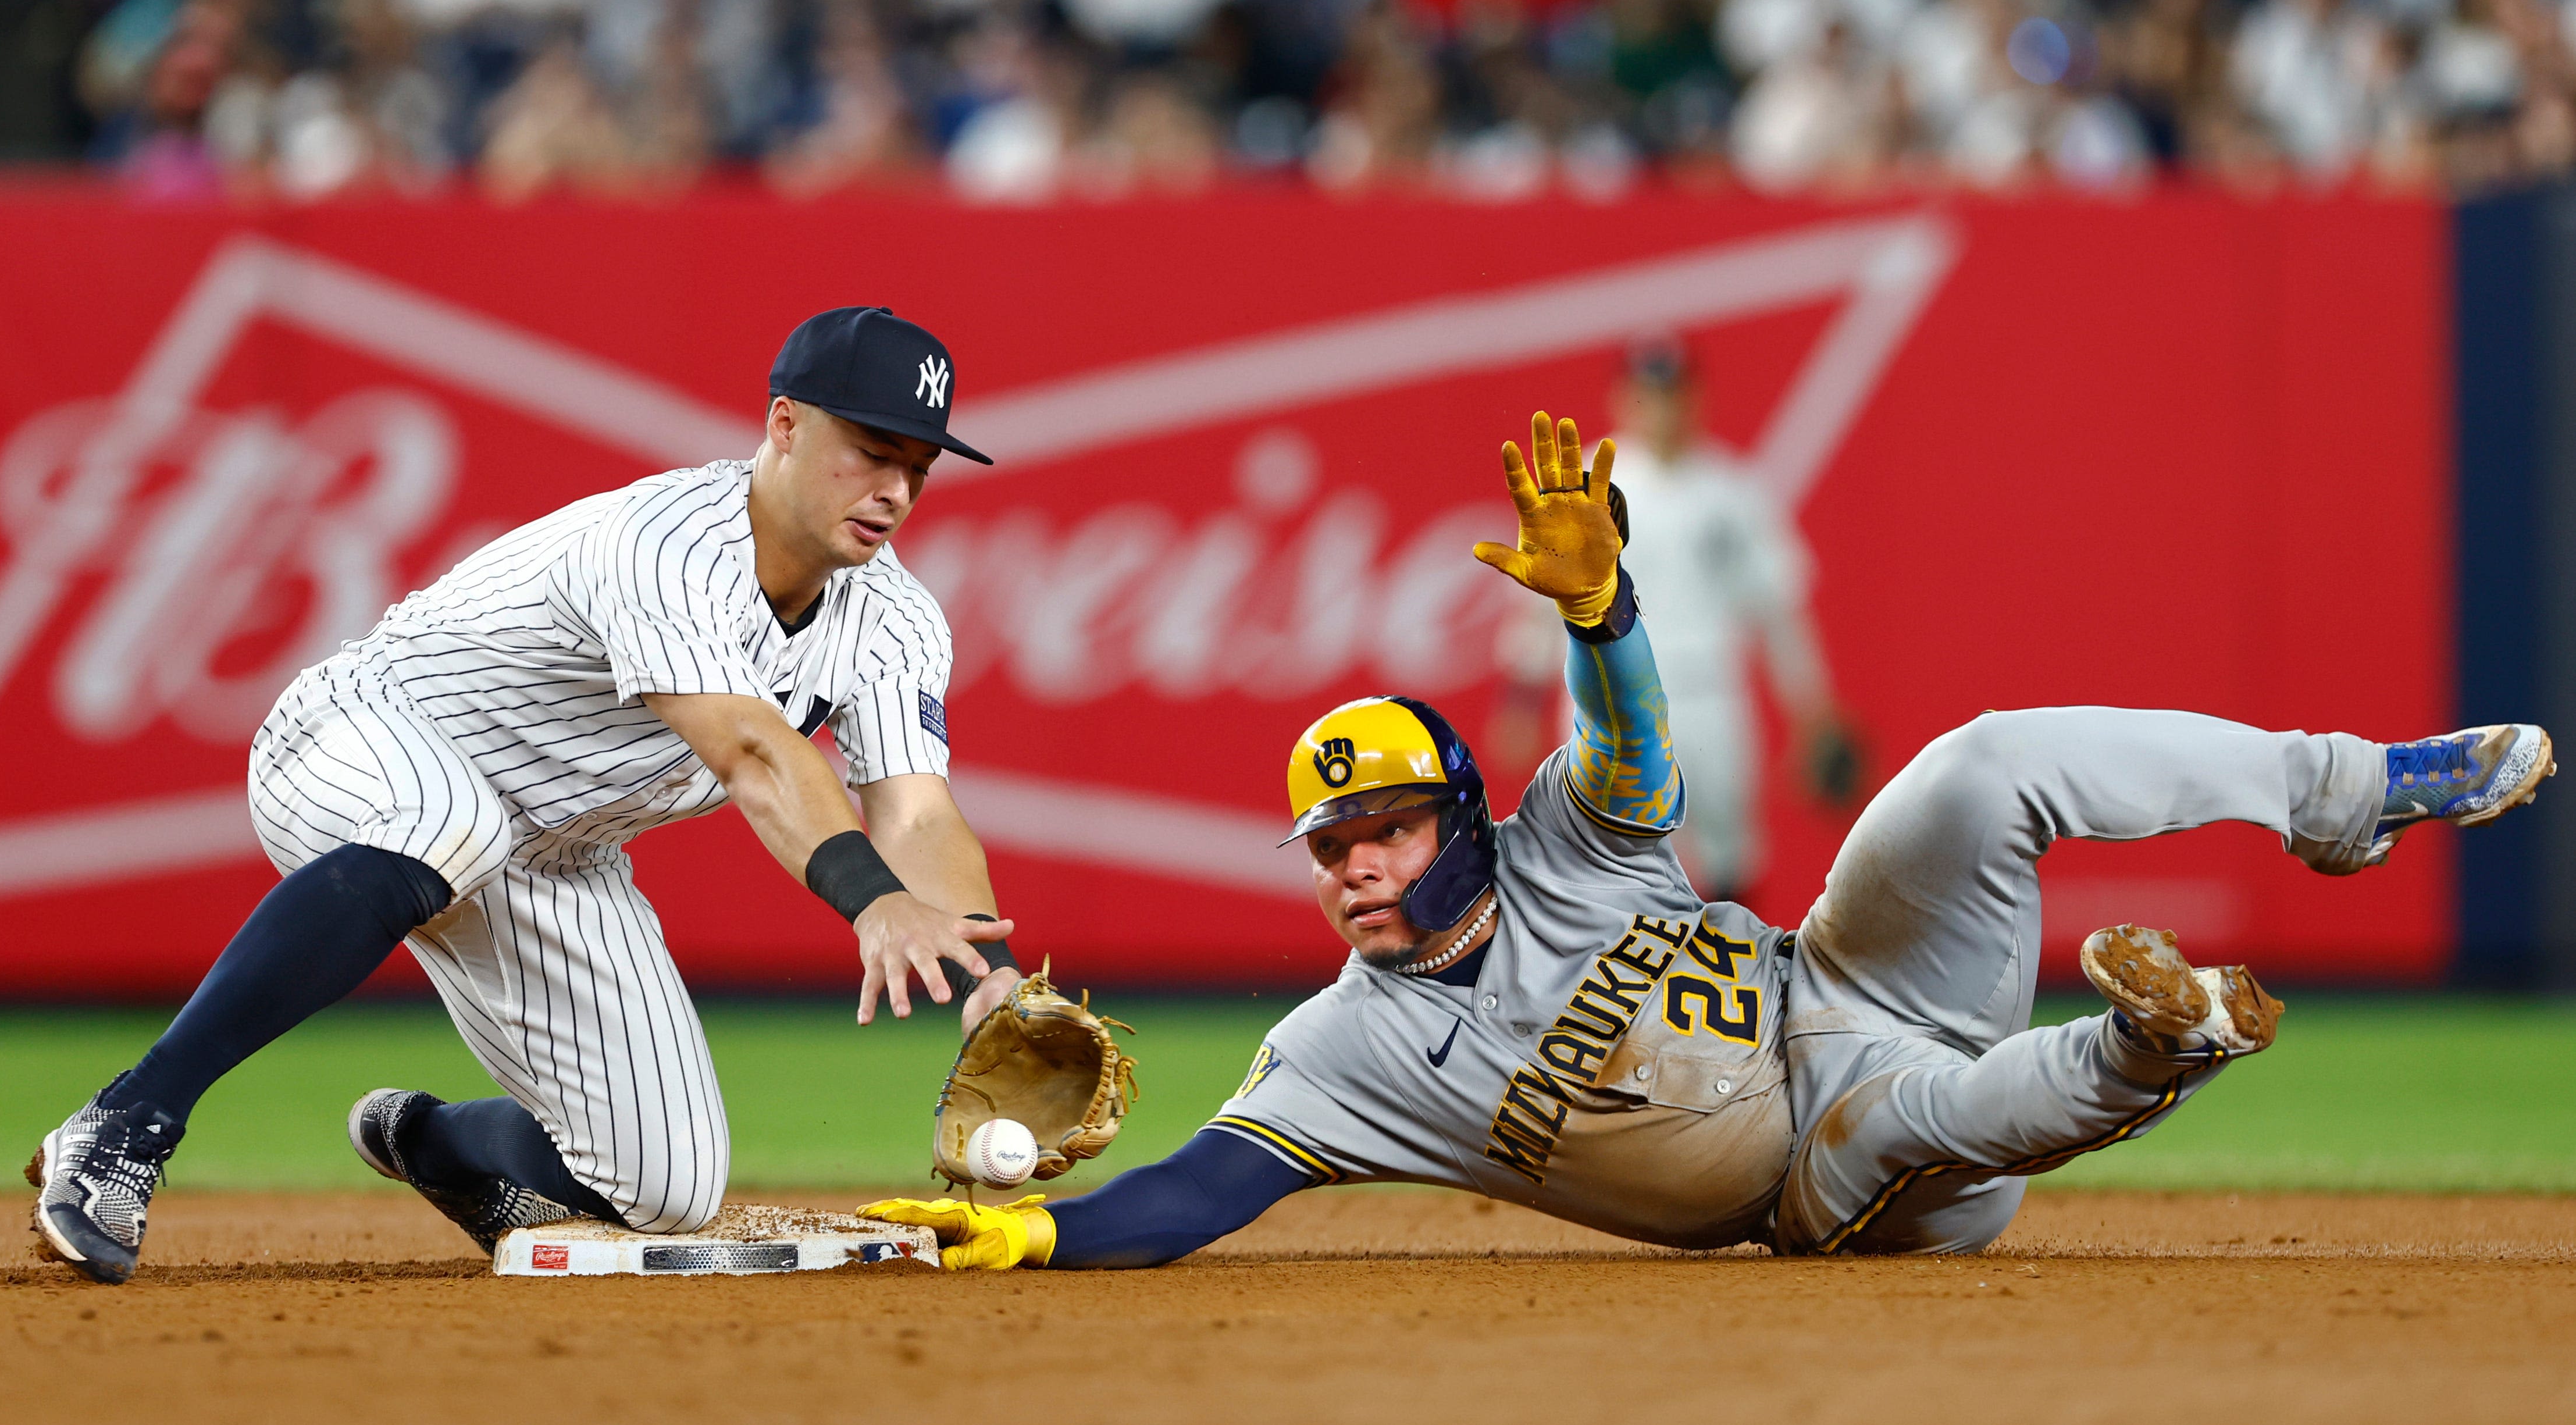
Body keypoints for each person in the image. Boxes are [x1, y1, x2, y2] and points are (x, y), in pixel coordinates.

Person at [864, 409, 2552, 1267]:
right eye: (1329, 845)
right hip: (1821, 1183)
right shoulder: (1342, 1048)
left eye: (1381, 827)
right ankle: (2155, 1039)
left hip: (1843, 973)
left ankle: (2350, 793)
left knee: (1978, 766)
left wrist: (1599, 610)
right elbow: (1193, 1190)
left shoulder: (1564, 841)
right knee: (1943, 1105)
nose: (1353, 864)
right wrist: (1039, 1231)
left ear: (1458, 816)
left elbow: (1626, 732)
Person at [30, 308, 1022, 1284]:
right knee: (447, 824)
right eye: (871, 450)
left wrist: (999, 981)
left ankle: (434, 1143)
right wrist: (871, 899)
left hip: (551, 850)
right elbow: (756, 755)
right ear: (785, 423)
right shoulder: (665, 541)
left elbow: (917, 813)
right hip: (367, 735)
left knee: (664, 1181)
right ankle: (128, 1121)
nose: (893, 490)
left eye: (917, 469)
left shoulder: (893, 618)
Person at [1491, 342, 1854, 899]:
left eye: (1672, 392)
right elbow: (1543, 601)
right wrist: (1520, 699)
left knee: (1728, 860)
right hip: (1602, 692)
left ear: (1694, 398)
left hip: (1708, 693)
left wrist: (1814, 711)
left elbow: (1779, 613)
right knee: (1600, 857)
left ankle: (1733, 983)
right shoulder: (1585, 479)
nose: (1661, 407)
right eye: (1648, 393)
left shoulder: (1731, 492)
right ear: (1623, 398)